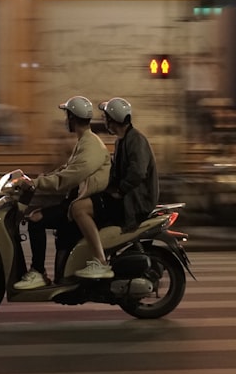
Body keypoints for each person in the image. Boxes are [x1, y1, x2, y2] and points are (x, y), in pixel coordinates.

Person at [13, 95, 110, 290]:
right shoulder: (84, 142)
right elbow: (64, 171)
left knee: (35, 219)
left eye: (67, 116)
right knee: (38, 216)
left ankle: (38, 272)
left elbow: (68, 178)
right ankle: (55, 274)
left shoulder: (90, 145)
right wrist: (35, 179)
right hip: (74, 201)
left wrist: (36, 183)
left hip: (81, 203)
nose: (66, 120)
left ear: (73, 118)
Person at [71, 97, 159, 279]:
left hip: (134, 202)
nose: (104, 120)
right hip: (127, 197)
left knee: (79, 209)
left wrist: (119, 191)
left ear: (113, 120)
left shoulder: (136, 140)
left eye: (106, 117)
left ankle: (100, 262)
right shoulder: (122, 140)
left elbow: (138, 172)